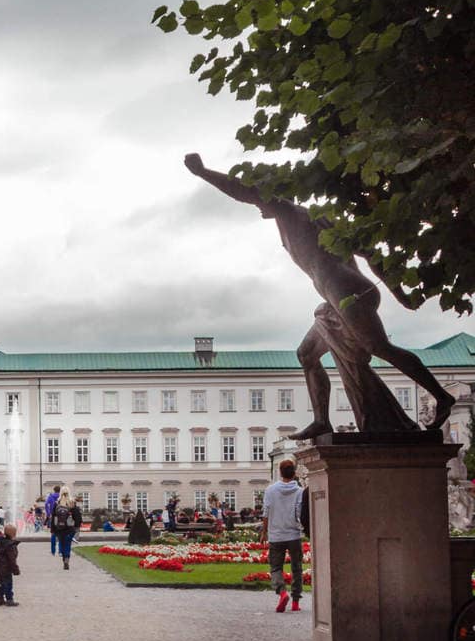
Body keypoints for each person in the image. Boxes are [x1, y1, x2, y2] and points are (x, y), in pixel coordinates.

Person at [184, 153, 455, 435]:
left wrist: (203, 172)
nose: (260, 207)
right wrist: (399, 294)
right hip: (342, 293)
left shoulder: (289, 211)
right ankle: (322, 420)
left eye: (263, 199)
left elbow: (244, 191)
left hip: (343, 290)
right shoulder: (319, 219)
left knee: (378, 347)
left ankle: (442, 396)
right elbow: (371, 252)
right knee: (306, 354)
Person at [261, 458, 305, 613]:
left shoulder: (270, 490)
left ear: (280, 472)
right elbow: (300, 512)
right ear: (294, 473)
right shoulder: (300, 491)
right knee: (297, 568)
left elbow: (266, 512)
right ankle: (295, 602)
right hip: (293, 534)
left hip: (276, 535)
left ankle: (282, 592)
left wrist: (264, 532)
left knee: (276, 567)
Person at [50, 485, 82, 570]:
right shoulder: (72, 503)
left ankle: (64, 559)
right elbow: (78, 517)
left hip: (59, 528)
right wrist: (77, 527)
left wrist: (52, 529)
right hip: (70, 528)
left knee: (62, 544)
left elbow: (53, 517)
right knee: (68, 544)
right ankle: (67, 559)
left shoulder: (57, 503)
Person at [0, 523, 21, 607]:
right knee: (8, 584)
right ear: (14, 534)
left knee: (3, 584)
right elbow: (12, 559)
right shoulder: (10, 546)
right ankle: (9, 599)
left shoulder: (1, 543)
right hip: (6, 569)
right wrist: (16, 569)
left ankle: (0, 599)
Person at [45, 483, 62, 555]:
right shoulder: (61, 497)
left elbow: (46, 505)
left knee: (53, 533)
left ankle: (53, 551)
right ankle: (60, 551)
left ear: (54, 490)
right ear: (60, 490)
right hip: (61, 516)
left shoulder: (50, 496)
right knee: (61, 534)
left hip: (53, 516)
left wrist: (49, 514)